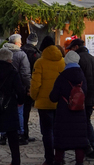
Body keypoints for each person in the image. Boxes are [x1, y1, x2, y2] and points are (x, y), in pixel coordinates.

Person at [29, 35, 65, 165]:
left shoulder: (40, 62)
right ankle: (60, 157)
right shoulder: (62, 61)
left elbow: (35, 83)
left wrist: (34, 96)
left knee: (47, 132)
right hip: (60, 102)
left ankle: (49, 158)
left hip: (44, 104)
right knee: (59, 131)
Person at [49, 50, 89, 165]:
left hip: (63, 113)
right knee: (79, 140)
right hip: (79, 113)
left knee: (61, 139)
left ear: (66, 61)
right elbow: (85, 92)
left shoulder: (62, 77)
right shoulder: (82, 76)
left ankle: (59, 161)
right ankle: (79, 161)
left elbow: (53, 97)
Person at [67, 38, 94, 159]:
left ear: (76, 47)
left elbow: (78, 79)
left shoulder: (79, 60)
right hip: (91, 96)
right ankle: (90, 145)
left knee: (82, 122)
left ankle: (89, 146)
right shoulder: (93, 59)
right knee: (86, 121)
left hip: (81, 97)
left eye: (71, 48)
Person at [1, 34, 31, 144]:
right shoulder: (21, 54)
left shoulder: (2, 52)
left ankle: (3, 135)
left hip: (2, 87)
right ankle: (20, 133)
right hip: (17, 86)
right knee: (19, 111)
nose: (21, 44)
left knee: (3, 110)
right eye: (20, 42)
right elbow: (25, 73)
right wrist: (28, 86)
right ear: (15, 43)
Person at [21, 32, 41, 142]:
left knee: (20, 110)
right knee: (26, 111)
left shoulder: (21, 51)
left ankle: (22, 132)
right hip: (30, 84)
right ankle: (25, 133)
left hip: (20, 84)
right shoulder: (36, 54)